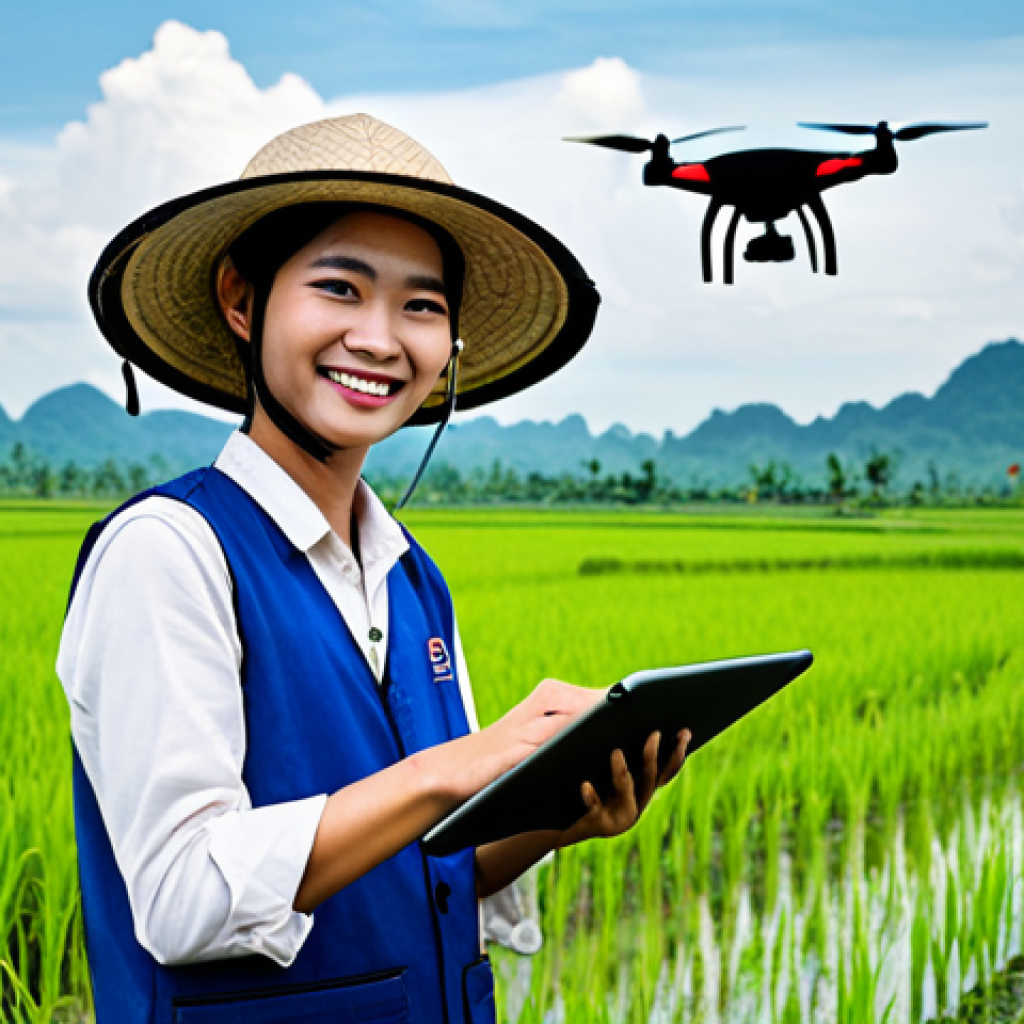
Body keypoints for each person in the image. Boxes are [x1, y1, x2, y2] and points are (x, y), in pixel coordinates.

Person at [58, 114, 690, 1024]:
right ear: (242, 299)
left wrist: (560, 811)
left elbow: (437, 866)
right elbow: (181, 894)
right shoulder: (168, 550)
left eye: (421, 306)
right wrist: (450, 768)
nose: (381, 339)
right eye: (339, 288)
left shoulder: (412, 578)